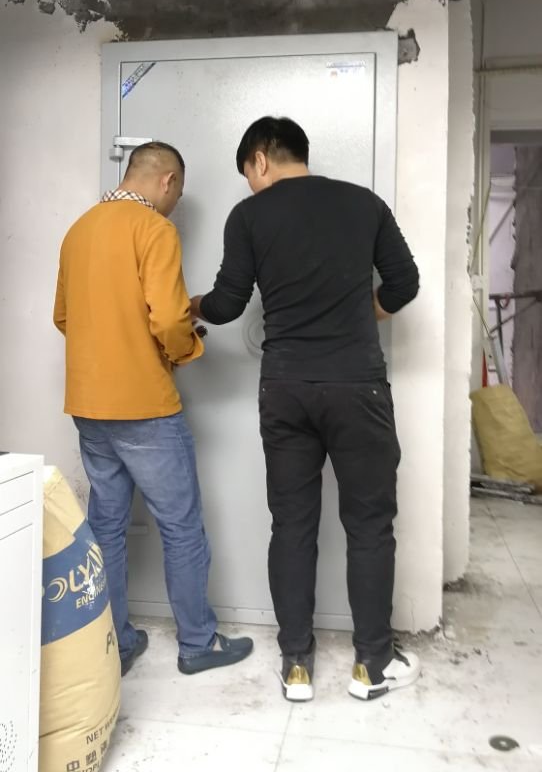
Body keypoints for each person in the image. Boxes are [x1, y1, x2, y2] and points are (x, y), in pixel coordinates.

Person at [191, 117, 420, 703]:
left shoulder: (249, 216)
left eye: (247, 172)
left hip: (286, 388)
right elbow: (404, 282)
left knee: (292, 525)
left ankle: (296, 663)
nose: (249, 184)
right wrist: (365, 312)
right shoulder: (364, 204)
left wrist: (190, 305)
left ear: (260, 159)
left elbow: (227, 303)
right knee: (369, 526)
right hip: (357, 386)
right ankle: (372, 665)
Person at [53, 141, 253, 677]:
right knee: (181, 527)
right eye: (177, 193)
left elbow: (64, 317)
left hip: (89, 407)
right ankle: (198, 644)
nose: (174, 203)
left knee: (106, 526)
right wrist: (185, 351)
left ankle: (116, 644)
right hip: (144, 408)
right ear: (167, 181)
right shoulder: (154, 230)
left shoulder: (78, 230)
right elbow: (167, 319)